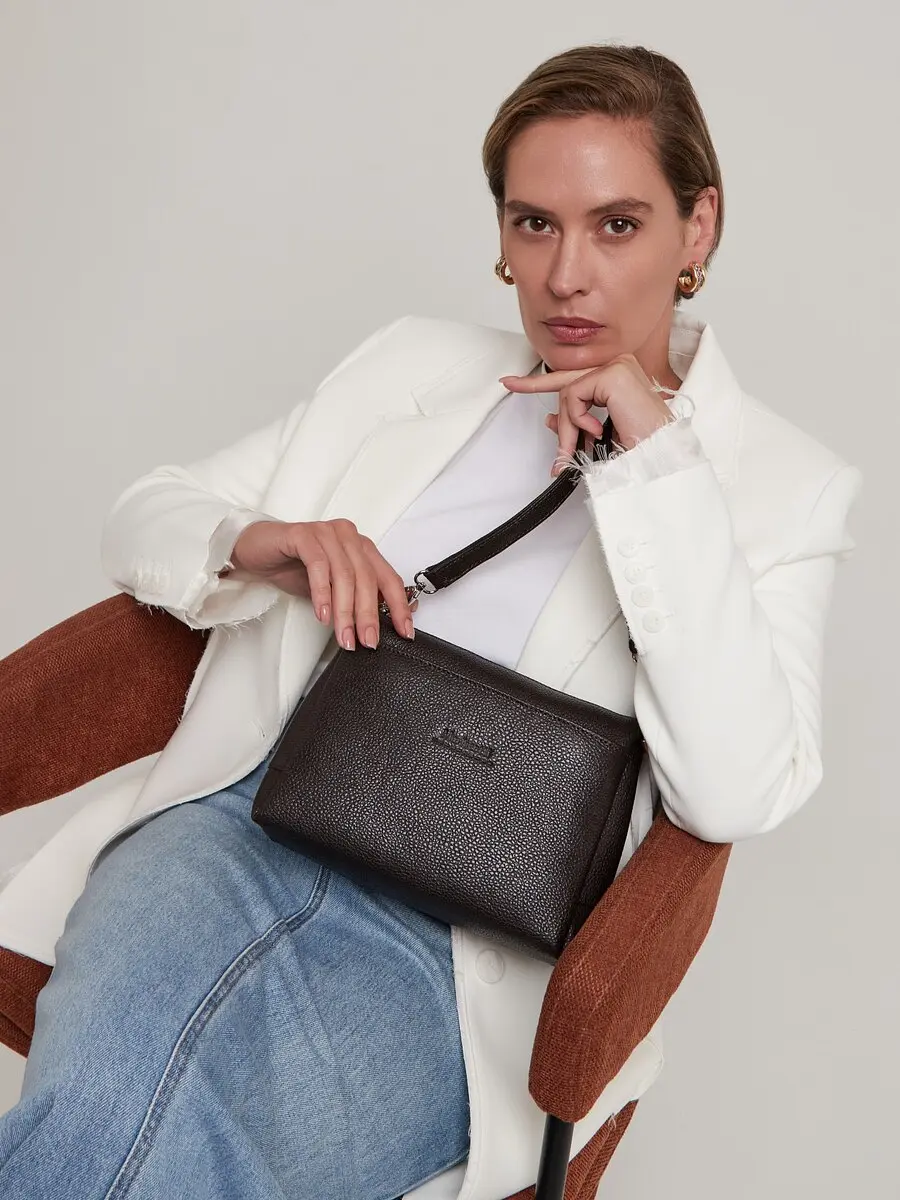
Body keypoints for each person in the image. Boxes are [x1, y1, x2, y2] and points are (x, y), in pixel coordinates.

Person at [0, 42, 861, 1200]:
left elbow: (736, 789)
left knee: (162, 1134)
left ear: (696, 228)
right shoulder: (412, 365)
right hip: (238, 835)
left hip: (460, 963)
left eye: (617, 225)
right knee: (114, 1097)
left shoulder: (782, 489)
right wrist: (266, 543)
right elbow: (150, 512)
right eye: (533, 224)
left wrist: (655, 465)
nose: (566, 276)